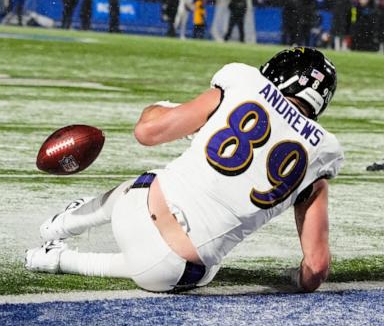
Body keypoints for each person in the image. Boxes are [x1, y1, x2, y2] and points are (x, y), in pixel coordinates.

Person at [25, 47, 344, 293]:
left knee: (148, 181)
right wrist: (294, 279)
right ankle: (56, 261)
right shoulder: (324, 155)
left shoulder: (243, 82)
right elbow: (315, 268)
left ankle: (60, 225)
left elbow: (147, 133)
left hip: (139, 212)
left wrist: (163, 108)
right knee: (174, 265)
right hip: (177, 275)